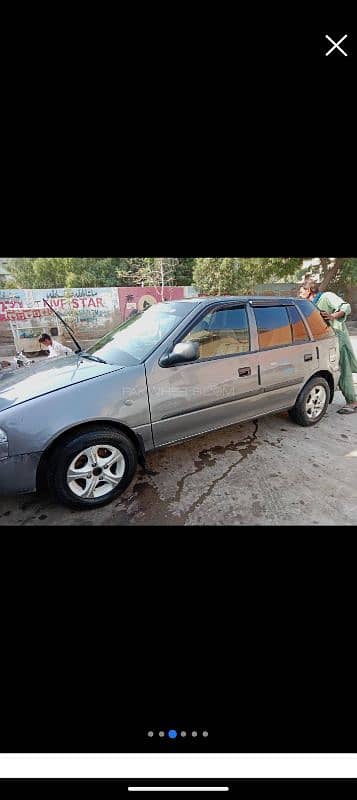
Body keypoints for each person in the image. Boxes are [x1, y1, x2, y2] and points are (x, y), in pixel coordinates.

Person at [299, 281, 357, 414]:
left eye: (302, 291)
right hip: (326, 341)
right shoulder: (311, 305)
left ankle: (352, 402)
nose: (300, 294)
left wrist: (332, 316)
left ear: (309, 290)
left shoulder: (326, 297)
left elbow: (345, 307)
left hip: (337, 339)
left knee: (344, 368)